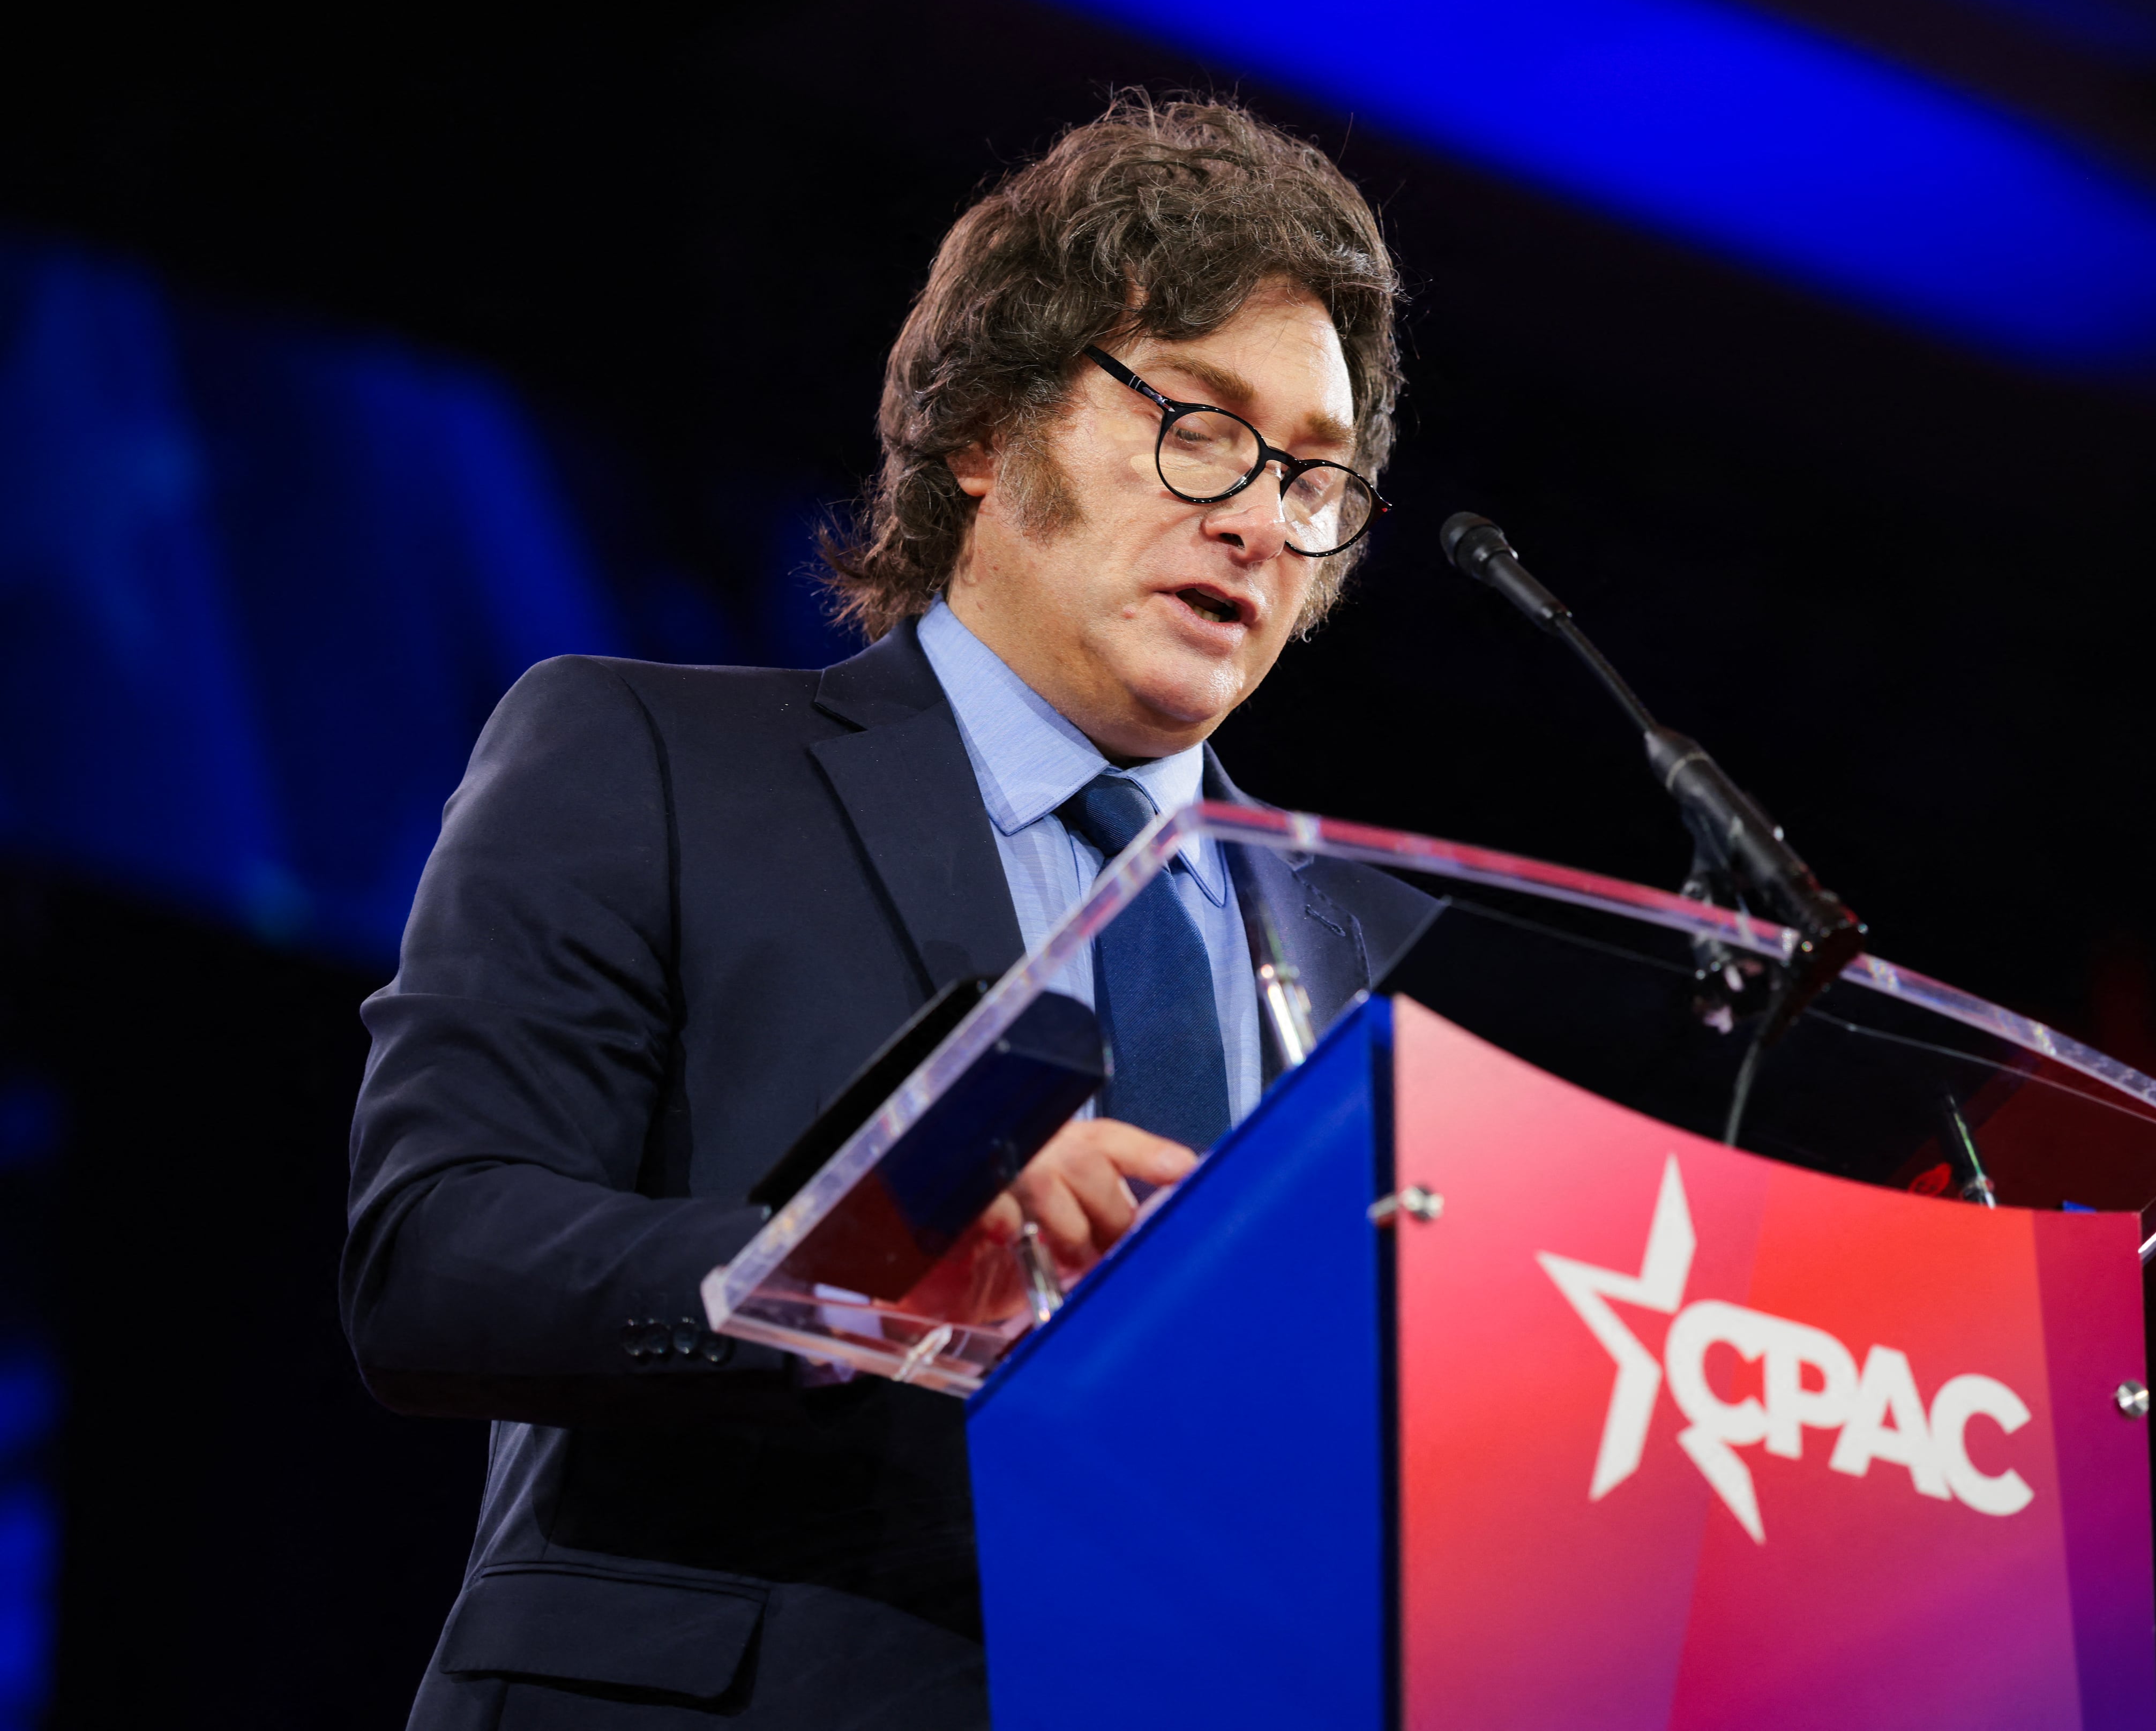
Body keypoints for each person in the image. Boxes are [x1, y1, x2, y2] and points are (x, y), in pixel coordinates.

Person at [342, 94, 1433, 1730]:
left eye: (1314, 474)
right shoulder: (651, 763)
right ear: (987, 430)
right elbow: (432, 1262)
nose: (1258, 517)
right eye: (1199, 425)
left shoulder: (1381, 960)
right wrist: (881, 1251)